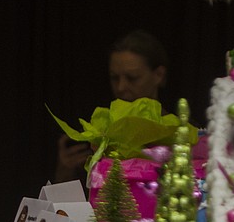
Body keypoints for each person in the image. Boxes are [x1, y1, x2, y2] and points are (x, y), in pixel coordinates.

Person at [54, 29, 169, 184]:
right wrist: (65, 172)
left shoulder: (178, 132)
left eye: (132, 78)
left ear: (158, 75)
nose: (121, 87)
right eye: (115, 78)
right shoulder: (97, 132)